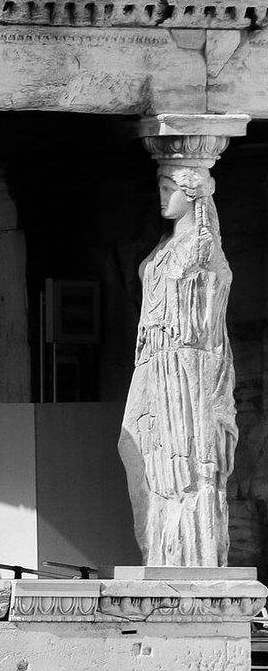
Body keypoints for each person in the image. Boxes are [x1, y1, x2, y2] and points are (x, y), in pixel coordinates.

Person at [118, 164, 237, 567]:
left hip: (187, 364)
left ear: (194, 195)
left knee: (183, 456)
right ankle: (160, 549)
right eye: (161, 187)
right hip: (156, 358)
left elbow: (206, 316)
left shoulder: (201, 246)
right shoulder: (168, 243)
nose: (162, 196)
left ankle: (186, 555)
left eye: (170, 188)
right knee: (133, 443)